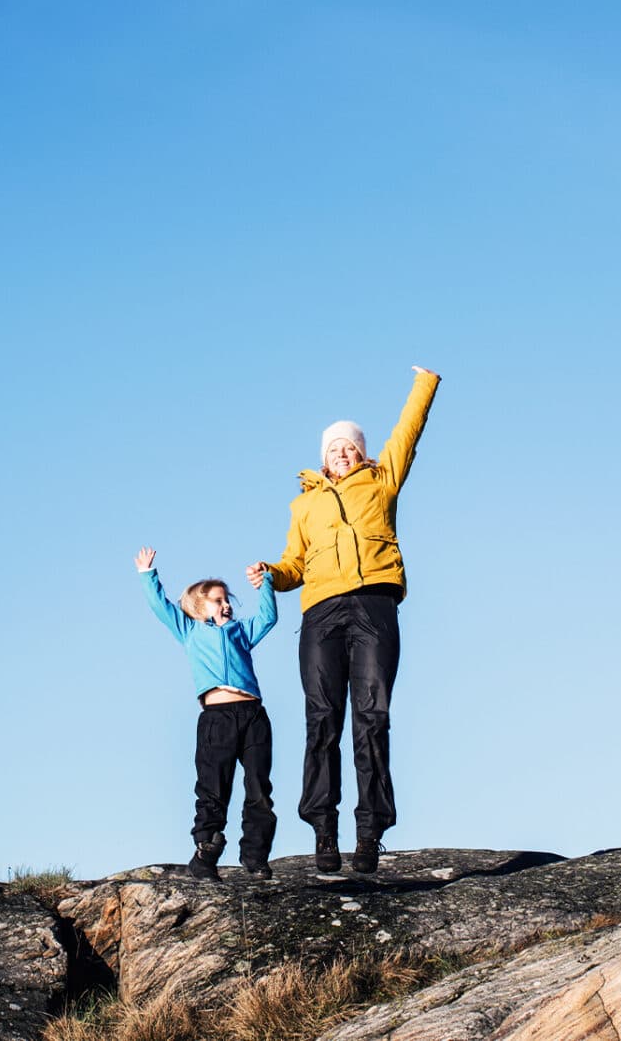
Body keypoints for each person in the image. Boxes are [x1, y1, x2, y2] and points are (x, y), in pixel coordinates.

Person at [247, 365, 440, 876]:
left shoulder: (381, 483)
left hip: (374, 603)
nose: (342, 452)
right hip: (321, 612)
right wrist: (270, 572)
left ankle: (369, 833)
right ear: (324, 458)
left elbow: (407, 432)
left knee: (372, 718)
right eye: (334, 448)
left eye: (350, 446)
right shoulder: (304, 505)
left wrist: (424, 384)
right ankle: (323, 832)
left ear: (362, 453)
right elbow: (294, 564)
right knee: (322, 718)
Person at [136, 546, 279, 880]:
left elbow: (269, 618)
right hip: (217, 720)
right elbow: (160, 606)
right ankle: (206, 853)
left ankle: (256, 856)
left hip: (253, 715)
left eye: (227, 599)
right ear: (200, 606)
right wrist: (147, 575)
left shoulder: (241, 632)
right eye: (218, 600)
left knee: (259, 787)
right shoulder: (190, 631)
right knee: (213, 788)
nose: (226, 604)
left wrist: (267, 584)